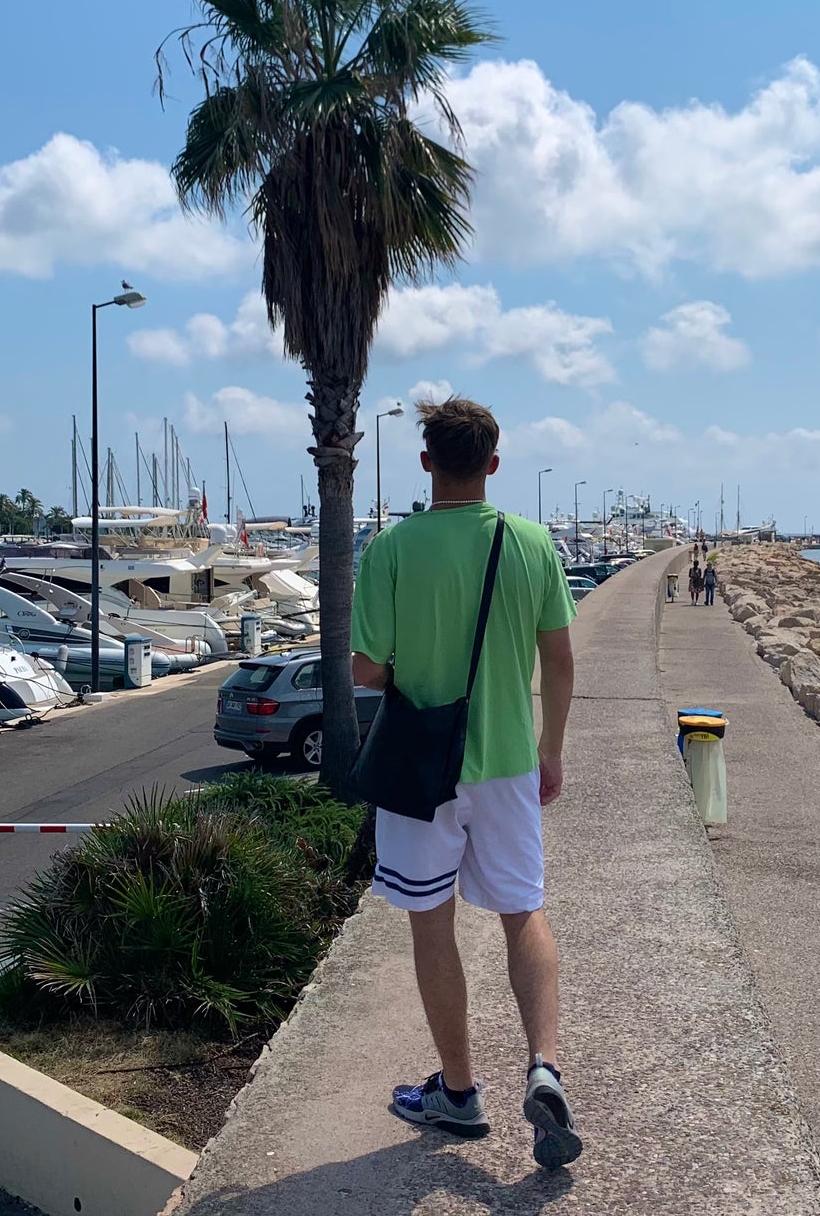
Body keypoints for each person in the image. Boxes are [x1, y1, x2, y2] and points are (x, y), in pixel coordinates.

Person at [350, 398, 582, 1170]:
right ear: (492, 462)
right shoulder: (531, 542)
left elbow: (366, 668)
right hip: (509, 762)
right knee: (523, 912)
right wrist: (551, 750)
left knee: (431, 921)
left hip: (422, 768)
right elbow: (560, 661)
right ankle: (544, 1066)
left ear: (426, 463)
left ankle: (457, 1092)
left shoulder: (390, 548)